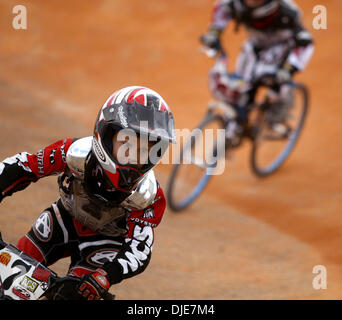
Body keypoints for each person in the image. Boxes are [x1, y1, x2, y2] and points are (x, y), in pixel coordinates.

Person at [0, 86, 175, 300]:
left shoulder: (148, 195)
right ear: (106, 134)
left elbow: (139, 250)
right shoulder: (73, 153)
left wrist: (105, 276)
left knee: (73, 296)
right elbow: (23, 166)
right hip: (62, 222)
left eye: (145, 149)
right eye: (127, 143)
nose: (134, 157)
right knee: (7, 274)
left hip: (104, 246)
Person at [200, 0, 314, 133]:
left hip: (279, 53)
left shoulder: (288, 12)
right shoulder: (236, 3)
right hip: (253, 49)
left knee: (277, 85)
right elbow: (221, 10)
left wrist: (289, 69)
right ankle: (237, 121)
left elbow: (305, 43)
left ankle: (278, 113)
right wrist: (214, 33)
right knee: (239, 85)